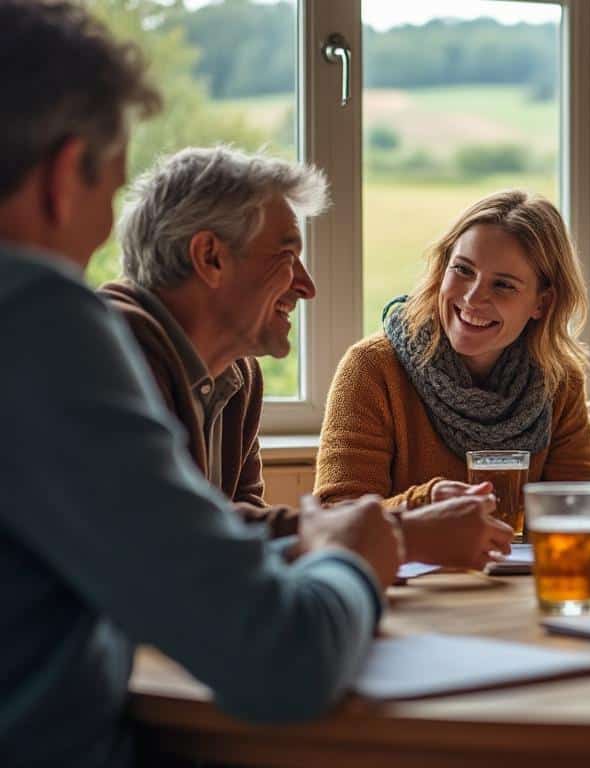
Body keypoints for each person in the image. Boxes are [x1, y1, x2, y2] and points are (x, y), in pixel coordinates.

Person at [0, 2, 400, 764]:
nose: (99, 243)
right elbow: (281, 660)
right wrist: (352, 562)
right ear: (61, 177)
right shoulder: (38, 318)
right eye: (105, 192)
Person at [100, 147, 508, 570]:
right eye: (287, 256)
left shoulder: (236, 373)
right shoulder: (112, 357)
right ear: (210, 257)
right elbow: (172, 535)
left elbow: (244, 539)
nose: (307, 286)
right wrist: (405, 533)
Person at [315, 190, 590, 513]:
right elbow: (336, 515)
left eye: (503, 285)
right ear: (443, 267)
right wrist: (426, 501)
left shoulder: (560, 381)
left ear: (542, 302)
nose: (473, 298)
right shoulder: (371, 368)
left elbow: (577, 510)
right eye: (463, 270)